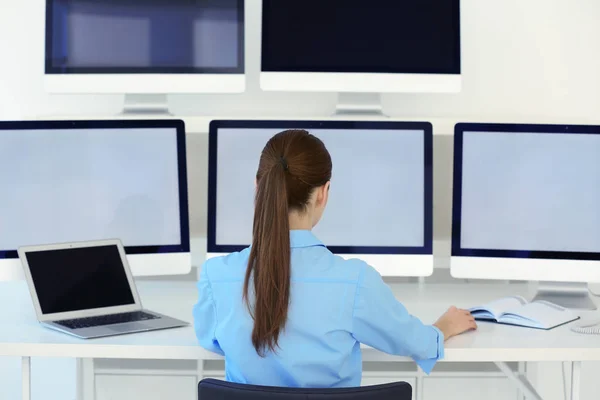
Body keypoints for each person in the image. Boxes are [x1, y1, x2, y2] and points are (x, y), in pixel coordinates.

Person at [193, 129, 476, 387]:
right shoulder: (355, 282)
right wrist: (443, 328)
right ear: (323, 193)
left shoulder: (216, 276)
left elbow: (212, 339)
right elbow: (416, 343)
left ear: (258, 187)